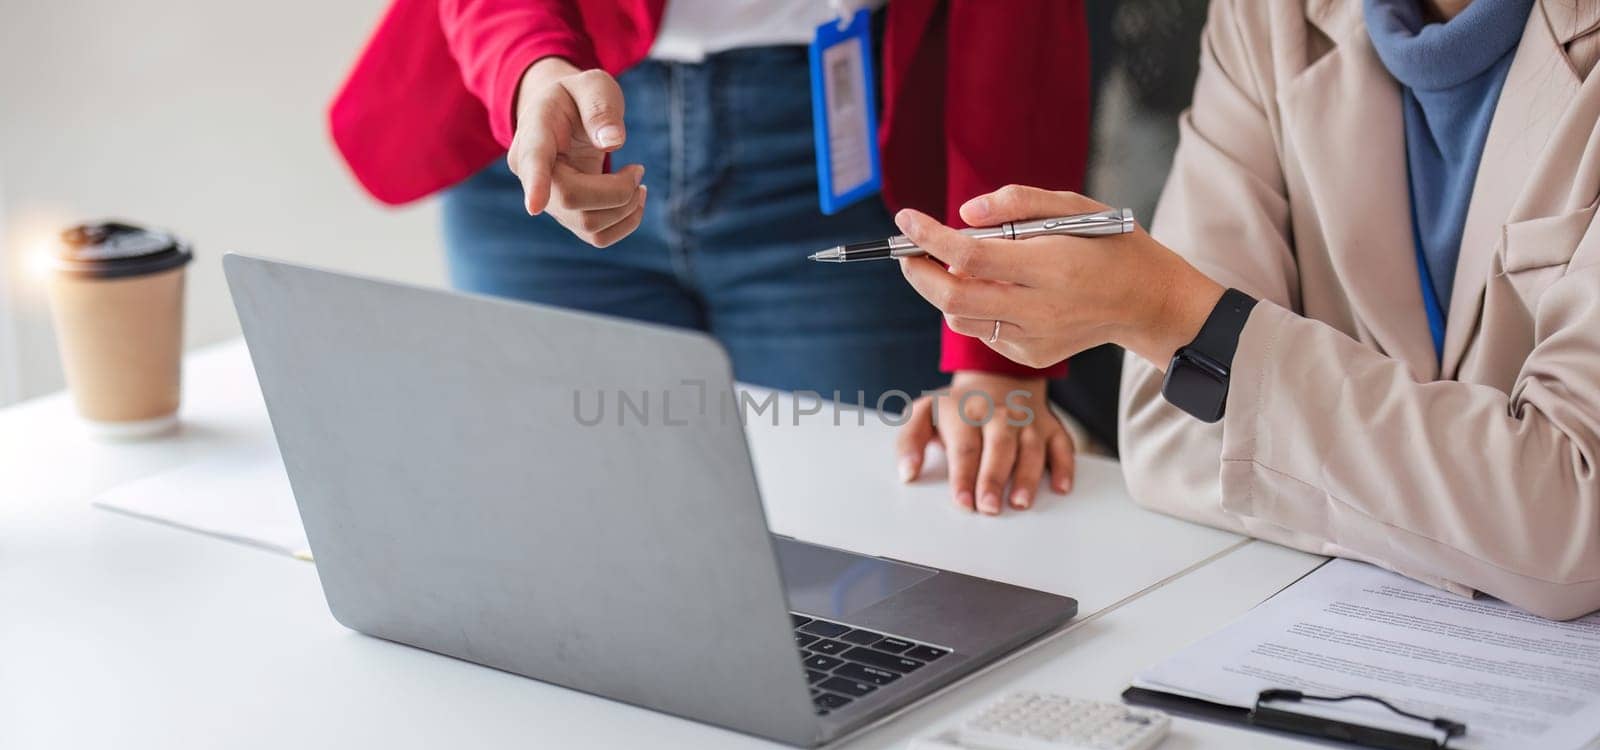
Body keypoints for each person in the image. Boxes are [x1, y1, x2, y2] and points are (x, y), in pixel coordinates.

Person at [891, 0, 1600, 620]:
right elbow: (1166, 436)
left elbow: (1572, 521)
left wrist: (1174, 313)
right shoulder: (1266, 18)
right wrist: (1484, 527)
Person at [327, 0, 1095, 515]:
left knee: (867, 572)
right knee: (555, 544)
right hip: (545, 127)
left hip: (845, 146)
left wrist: (998, 339)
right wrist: (526, 68)